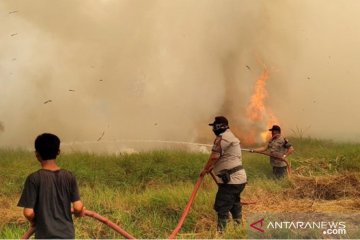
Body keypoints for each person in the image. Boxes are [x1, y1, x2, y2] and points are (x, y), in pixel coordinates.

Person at [18, 133, 85, 239]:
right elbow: (77, 207)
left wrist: (36, 222)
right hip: (67, 235)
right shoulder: (69, 176)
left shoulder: (34, 178)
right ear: (58, 152)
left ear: (37, 154)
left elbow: (28, 213)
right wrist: (79, 212)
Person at [201, 116, 247, 233]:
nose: (213, 129)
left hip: (231, 181)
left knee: (222, 205)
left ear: (220, 126)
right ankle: (238, 228)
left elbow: (215, 156)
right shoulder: (230, 136)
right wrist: (212, 167)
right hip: (238, 179)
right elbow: (224, 157)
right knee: (234, 203)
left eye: (214, 126)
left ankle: (222, 233)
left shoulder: (222, 138)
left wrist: (205, 169)